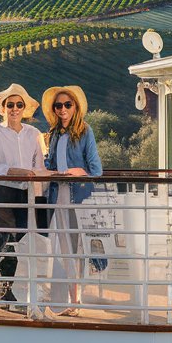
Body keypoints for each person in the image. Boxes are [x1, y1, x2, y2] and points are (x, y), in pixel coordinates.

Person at [0, 83, 46, 317]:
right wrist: (17, 172)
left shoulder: (34, 135)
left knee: (16, 243)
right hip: (1, 191)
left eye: (19, 105)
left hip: (25, 194)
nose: (14, 108)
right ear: (3, 108)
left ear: (25, 108)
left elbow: (39, 167)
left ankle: (6, 293)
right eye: (10, 105)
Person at [41, 85, 103, 317]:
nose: (63, 109)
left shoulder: (86, 131)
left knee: (75, 249)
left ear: (75, 107)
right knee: (61, 249)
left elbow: (96, 170)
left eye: (68, 104)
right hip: (58, 197)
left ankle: (75, 301)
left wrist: (79, 171)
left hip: (78, 198)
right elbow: (50, 166)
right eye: (58, 105)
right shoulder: (54, 134)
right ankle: (67, 299)